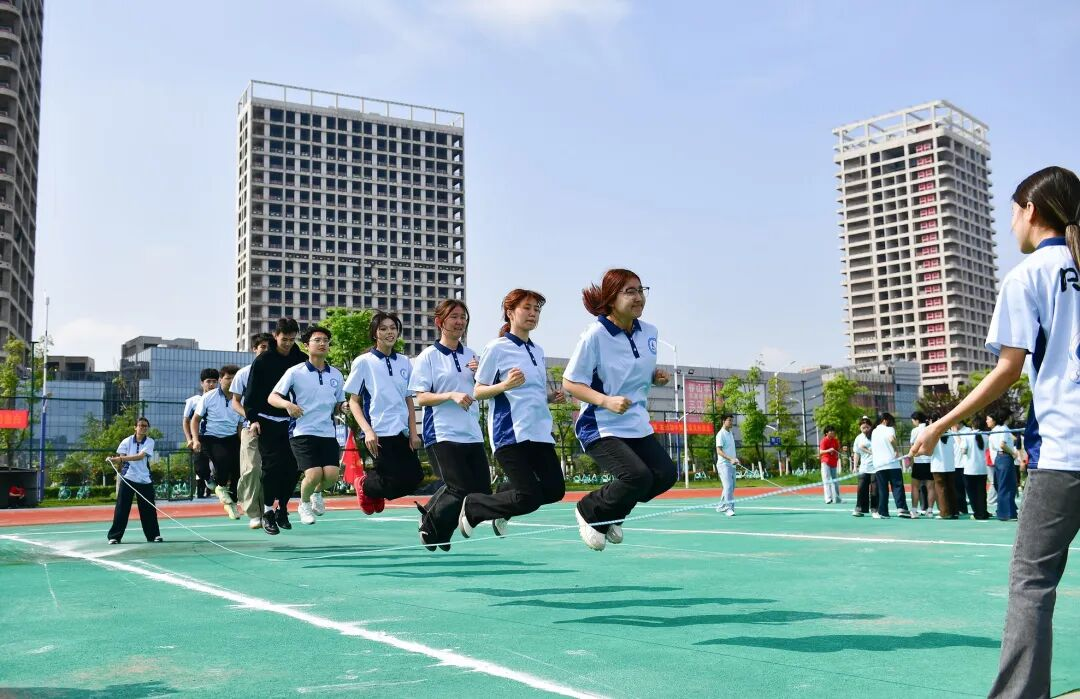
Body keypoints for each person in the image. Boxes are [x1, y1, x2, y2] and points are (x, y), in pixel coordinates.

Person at [909, 166, 1080, 698]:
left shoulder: (1029, 275)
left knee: (1032, 583)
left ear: (1031, 210)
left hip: (1065, 450)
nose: (1010, 225)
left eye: (1012, 213)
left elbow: (1007, 370)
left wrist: (939, 424)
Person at [563, 268, 677, 551]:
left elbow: (631, 372)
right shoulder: (595, 335)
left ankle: (613, 515)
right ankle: (589, 509)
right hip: (601, 423)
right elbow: (570, 383)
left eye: (641, 290)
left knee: (665, 475)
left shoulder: (650, 332)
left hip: (636, 422)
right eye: (630, 292)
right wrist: (605, 401)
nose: (638, 297)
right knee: (637, 476)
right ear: (611, 299)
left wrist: (655, 377)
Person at [458, 289, 566, 539]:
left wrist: (550, 398)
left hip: (539, 432)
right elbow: (478, 391)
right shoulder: (496, 348)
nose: (533, 313)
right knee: (528, 497)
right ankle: (474, 506)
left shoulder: (537, 350)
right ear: (510, 313)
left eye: (536, 309)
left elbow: (530, 393)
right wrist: (505, 385)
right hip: (510, 433)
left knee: (554, 490)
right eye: (526, 308)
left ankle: (502, 499)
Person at [408, 299, 486, 552]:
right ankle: (431, 522)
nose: (460, 321)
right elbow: (421, 398)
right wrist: (451, 395)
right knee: (458, 487)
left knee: (481, 489)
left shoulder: (473, 355)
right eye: (454, 316)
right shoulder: (428, 357)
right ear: (439, 322)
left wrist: (480, 374)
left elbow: (484, 389)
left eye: (463, 317)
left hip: (472, 432)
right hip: (442, 432)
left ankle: (440, 529)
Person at [345, 311, 423, 515]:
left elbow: (408, 399)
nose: (390, 332)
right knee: (392, 481)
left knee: (415, 478)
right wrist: (367, 431)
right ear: (375, 334)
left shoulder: (404, 361)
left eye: (393, 328)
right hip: (378, 432)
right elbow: (354, 402)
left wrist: (414, 433)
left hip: (402, 431)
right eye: (383, 329)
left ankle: (371, 489)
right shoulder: (363, 362)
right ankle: (365, 485)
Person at [269, 325, 346, 526]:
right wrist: (288, 405)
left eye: (326, 341)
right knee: (313, 474)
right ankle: (303, 505)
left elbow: (338, 403)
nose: (322, 344)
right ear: (306, 345)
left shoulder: (336, 375)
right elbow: (273, 397)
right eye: (317, 340)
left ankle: (316, 494)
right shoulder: (295, 372)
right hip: (302, 431)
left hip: (327, 432)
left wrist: (344, 406)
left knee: (331, 476)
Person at [242, 317, 306, 535]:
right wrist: (253, 419)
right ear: (275, 336)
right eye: (283, 339)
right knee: (272, 467)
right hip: (267, 421)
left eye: (291, 339)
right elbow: (250, 395)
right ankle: (268, 511)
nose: (287, 343)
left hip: (293, 422)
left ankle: (283, 508)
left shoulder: (301, 359)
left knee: (293, 468)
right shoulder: (262, 361)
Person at [230, 333, 273, 529]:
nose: (266, 350)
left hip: (275, 428)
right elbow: (235, 403)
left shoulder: (281, 372)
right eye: (262, 347)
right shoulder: (244, 373)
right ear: (254, 349)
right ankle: (253, 513)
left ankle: (268, 510)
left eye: (269, 347)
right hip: (250, 428)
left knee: (269, 471)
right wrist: (251, 418)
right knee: (252, 469)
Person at [191, 364, 244, 520]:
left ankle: (232, 503)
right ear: (221, 380)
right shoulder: (209, 397)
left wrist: (243, 444)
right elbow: (195, 420)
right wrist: (194, 439)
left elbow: (240, 425)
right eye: (228, 378)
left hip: (231, 437)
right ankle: (217, 484)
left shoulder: (241, 398)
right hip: (210, 437)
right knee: (218, 462)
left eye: (234, 379)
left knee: (239, 470)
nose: (231, 381)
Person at [107, 417, 163, 544]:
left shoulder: (150, 441)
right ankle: (114, 536)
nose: (143, 428)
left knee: (148, 509)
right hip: (128, 479)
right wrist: (114, 460)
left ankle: (153, 535)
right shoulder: (126, 441)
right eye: (140, 425)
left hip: (144, 479)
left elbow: (140, 456)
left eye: (145, 426)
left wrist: (120, 459)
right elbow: (121, 458)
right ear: (135, 427)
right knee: (122, 508)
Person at [183, 369, 218, 498]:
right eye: (208, 381)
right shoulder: (193, 401)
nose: (211, 384)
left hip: (216, 437)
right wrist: (189, 439)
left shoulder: (221, 400)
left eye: (214, 382)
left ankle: (223, 485)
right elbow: (186, 421)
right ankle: (208, 478)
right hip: (199, 438)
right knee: (200, 468)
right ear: (202, 383)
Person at [871, 412, 911, 519]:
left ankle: (883, 512)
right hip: (892, 463)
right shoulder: (889, 429)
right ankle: (901, 508)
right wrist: (896, 450)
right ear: (885, 420)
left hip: (879, 465)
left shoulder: (874, 431)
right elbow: (892, 439)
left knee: (882, 489)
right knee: (897, 486)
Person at [986, 409, 1020, 521]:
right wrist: (1013, 453)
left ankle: (1005, 512)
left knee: (1002, 485)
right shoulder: (1004, 429)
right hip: (1005, 457)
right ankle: (1007, 514)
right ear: (1007, 417)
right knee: (1007, 485)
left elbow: (994, 446)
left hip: (998, 458)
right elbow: (1002, 445)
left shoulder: (995, 430)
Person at [928, 417, 957, 519]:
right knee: (951, 489)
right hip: (950, 465)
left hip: (938, 466)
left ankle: (944, 513)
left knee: (941, 490)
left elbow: (930, 451)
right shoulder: (950, 433)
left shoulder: (934, 434)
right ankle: (954, 512)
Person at [909, 412, 935, 517]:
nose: (913, 423)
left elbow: (912, 446)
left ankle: (914, 510)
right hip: (930, 461)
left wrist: (911, 460)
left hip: (919, 461)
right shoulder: (931, 428)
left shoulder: (915, 431)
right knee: (930, 487)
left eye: (913, 421)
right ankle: (930, 510)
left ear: (917, 420)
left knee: (915, 487)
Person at [714, 414, 739, 516]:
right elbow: (719, 451)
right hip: (723, 465)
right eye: (729, 420)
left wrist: (735, 459)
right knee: (728, 486)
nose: (731, 422)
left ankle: (721, 506)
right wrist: (730, 459)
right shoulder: (720, 434)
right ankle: (729, 508)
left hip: (732, 464)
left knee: (730, 487)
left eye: (732, 420)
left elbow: (730, 450)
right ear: (723, 421)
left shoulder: (730, 433)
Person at [852, 417, 875, 516]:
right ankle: (860, 508)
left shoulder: (875, 436)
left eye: (867, 427)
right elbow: (856, 453)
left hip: (876, 468)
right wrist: (855, 466)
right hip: (864, 468)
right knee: (861, 489)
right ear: (860, 428)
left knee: (875, 490)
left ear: (871, 427)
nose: (865, 429)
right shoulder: (858, 438)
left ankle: (875, 509)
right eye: (863, 428)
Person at [950, 422, 970, 516]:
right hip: (955, 464)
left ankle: (976, 509)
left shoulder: (967, 431)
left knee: (969, 488)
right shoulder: (951, 432)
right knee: (958, 489)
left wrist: (956, 433)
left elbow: (962, 445)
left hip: (965, 465)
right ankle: (961, 509)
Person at [818, 426, 842, 504]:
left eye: (833, 431)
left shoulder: (835, 440)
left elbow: (837, 450)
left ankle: (837, 498)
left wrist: (837, 455)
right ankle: (828, 498)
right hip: (825, 462)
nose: (832, 432)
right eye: (830, 431)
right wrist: (829, 450)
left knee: (835, 481)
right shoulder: (824, 441)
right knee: (826, 480)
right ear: (826, 433)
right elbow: (821, 452)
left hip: (834, 463)